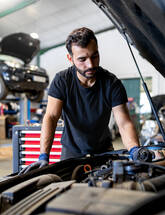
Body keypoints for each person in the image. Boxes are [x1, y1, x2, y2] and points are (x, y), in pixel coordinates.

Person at [21, 27, 153, 174]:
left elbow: (123, 122)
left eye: (94, 56)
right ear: (70, 59)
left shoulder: (111, 83)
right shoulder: (62, 81)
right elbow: (51, 117)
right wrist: (44, 155)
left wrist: (134, 149)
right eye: (82, 59)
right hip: (71, 155)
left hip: (104, 153)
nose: (90, 64)